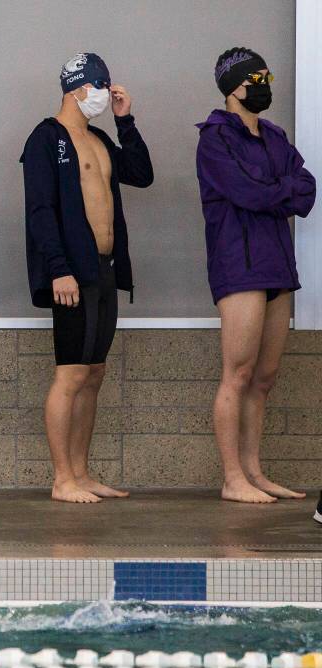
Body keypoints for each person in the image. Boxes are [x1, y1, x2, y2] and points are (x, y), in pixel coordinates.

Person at [21, 53, 153, 504]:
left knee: (94, 372)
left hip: (105, 268)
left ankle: (81, 471)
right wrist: (58, 268)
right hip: (71, 272)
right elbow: (39, 210)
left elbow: (141, 174)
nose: (105, 94)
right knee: (71, 373)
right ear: (78, 88)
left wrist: (125, 120)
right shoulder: (46, 139)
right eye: (102, 87)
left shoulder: (98, 138)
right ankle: (62, 479)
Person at [196, 48, 315, 504]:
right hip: (238, 263)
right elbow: (245, 193)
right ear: (233, 87)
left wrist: (272, 193)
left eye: (267, 77)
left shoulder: (275, 135)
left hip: (277, 264)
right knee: (238, 372)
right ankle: (232, 479)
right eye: (255, 80)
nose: (263, 87)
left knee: (264, 376)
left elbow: (306, 189)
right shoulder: (214, 138)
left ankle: (254, 471)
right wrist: (275, 193)